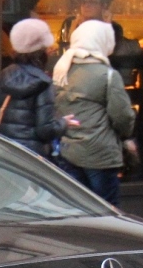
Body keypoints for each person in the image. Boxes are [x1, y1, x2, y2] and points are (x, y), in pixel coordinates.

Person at [52, 19, 135, 206]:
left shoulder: (62, 71)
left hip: (69, 151)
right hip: (100, 154)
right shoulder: (107, 75)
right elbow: (122, 116)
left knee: (77, 209)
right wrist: (126, 136)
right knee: (106, 210)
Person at [0, 19, 75, 157]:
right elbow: (45, 131)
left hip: (4, 152)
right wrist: (63, 123)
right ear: (42, 51)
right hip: (31, 157)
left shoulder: (3, 77)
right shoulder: (43, 83)